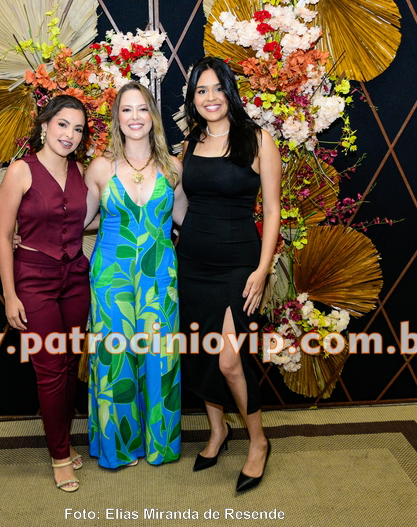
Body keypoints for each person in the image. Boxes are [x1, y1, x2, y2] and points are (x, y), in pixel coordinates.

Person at [177, 57, 280, 492]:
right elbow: (181, 205)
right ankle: (218, 431)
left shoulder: (257, 139)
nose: (210, 97)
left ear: (230, 92)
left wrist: (262, 268)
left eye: (218, 88)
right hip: (192, 263)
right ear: (193, 99)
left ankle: (258, 441)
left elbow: (272, 210)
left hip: (239, 264)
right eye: (201, 90)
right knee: (202, 353)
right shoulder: (192, 142)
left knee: (228, 359)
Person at [83, 82, 188, 469]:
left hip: (160, 276)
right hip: (112, 276)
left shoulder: (173, 168)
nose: (135, 117)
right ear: (117, 118)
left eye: (142, 108)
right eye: (126, 110)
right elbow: (80, 221)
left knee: (161, 357)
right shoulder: (101, 168)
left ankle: (161, 444)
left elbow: (186, 219)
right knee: (116, 359)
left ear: (153, 116)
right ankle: (120, 447)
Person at [0, 95, 91, 492]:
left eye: (78, 129)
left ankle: (62, 438)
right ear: (45, 124)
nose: (70, 134)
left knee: (69, 365)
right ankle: (59, 455)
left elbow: (86, 219)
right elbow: (4, 237)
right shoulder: (21, 170)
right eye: (63, 124)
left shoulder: (81, 170)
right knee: (50, 368)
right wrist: (10, 295)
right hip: (34, 279)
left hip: (76, 279)